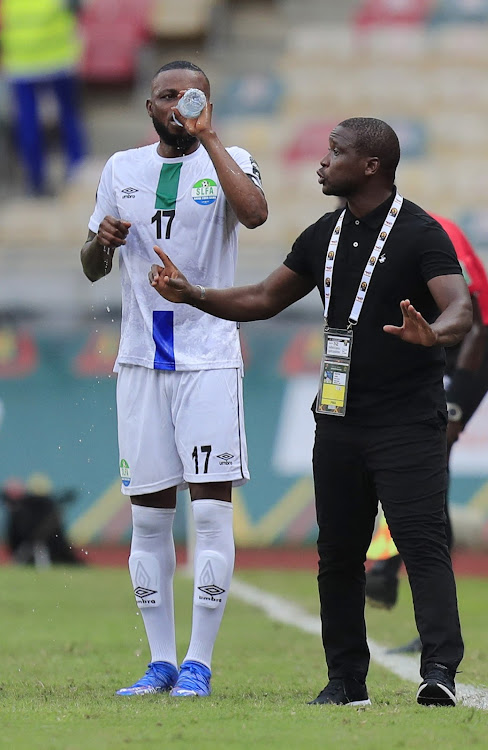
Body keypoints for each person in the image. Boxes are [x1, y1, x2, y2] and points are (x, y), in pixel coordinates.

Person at [148, 117, 472, 707]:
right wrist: (193, 293)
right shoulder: (325, 232)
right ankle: (346, 679)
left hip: (406, 421)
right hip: (339, 418)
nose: (322, 162)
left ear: (370, 166)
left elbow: (460, 308)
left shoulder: (421, 233)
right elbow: (264, 298)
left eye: (335, 152)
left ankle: (438, 672)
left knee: (422, 544)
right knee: (338, 554)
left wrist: (435, 335)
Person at [80, 60, 267, 697]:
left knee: (211, 512)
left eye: (190, 97)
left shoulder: (231, 157)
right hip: (140, 359)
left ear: (206, 102)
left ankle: (200, 662)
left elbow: (257, 214)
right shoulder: (120, 170)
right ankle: (160, 661)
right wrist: (101, 242)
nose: (177, 106)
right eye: (165, 96)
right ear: (149, 105)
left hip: (208, 355)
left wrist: (210, 138)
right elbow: (89, 267)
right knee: (149, 520)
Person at [365, 214, 488, 654]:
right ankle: (394, 574)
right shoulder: (358, 235)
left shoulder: (434, 229)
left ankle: (393, 572)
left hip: (472, 347)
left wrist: (455, 401)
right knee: (414, 461)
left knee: (427, 461)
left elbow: (477, 323)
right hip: (428, 344)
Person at [0, 0, 86, 195]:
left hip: (20, 60)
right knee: (69, 115)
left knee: (27, 121)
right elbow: (78, 8)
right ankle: (76, 171)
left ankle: (36, 180)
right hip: (58, 57)